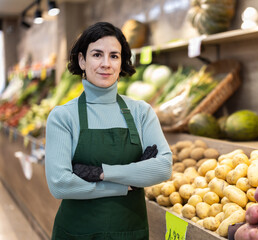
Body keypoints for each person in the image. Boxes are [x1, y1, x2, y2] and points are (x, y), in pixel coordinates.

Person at [45, 21, 172, 240]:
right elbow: (60, 184)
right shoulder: (63, 116)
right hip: (77, 233)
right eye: (97, 55)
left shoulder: (141, 112)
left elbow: (163, 167)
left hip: (130, 231)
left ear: (122, 62)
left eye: (114, 56)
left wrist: (100, 173)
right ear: (82, 60)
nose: (106, 64)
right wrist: (125, 184)